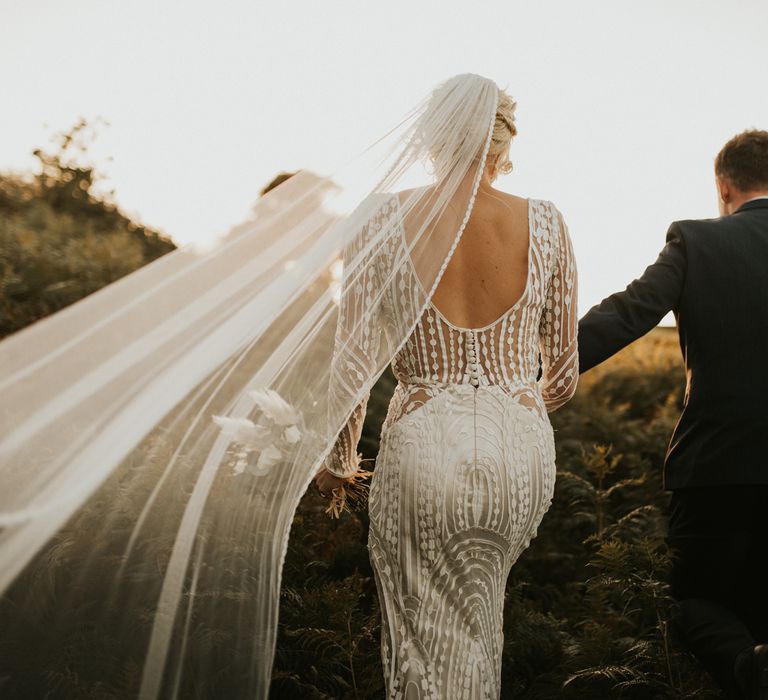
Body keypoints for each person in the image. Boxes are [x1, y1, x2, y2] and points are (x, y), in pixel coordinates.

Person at [314, 79, 579, 697]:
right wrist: (510, 403)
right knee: (477, 621)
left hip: (423, 441)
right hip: (520, 449)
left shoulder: (380, 217)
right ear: (504, 139)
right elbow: (561, 378)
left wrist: (339, 461)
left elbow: (352, 360)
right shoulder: (547, 222)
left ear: (430, 136)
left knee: (422, 637)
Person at [577, 129, 768, 700]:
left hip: (717, 469)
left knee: (697, 604)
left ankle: (750, 668)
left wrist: (534, 366)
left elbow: (629, 312)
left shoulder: (696, 241)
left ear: (723, 187)